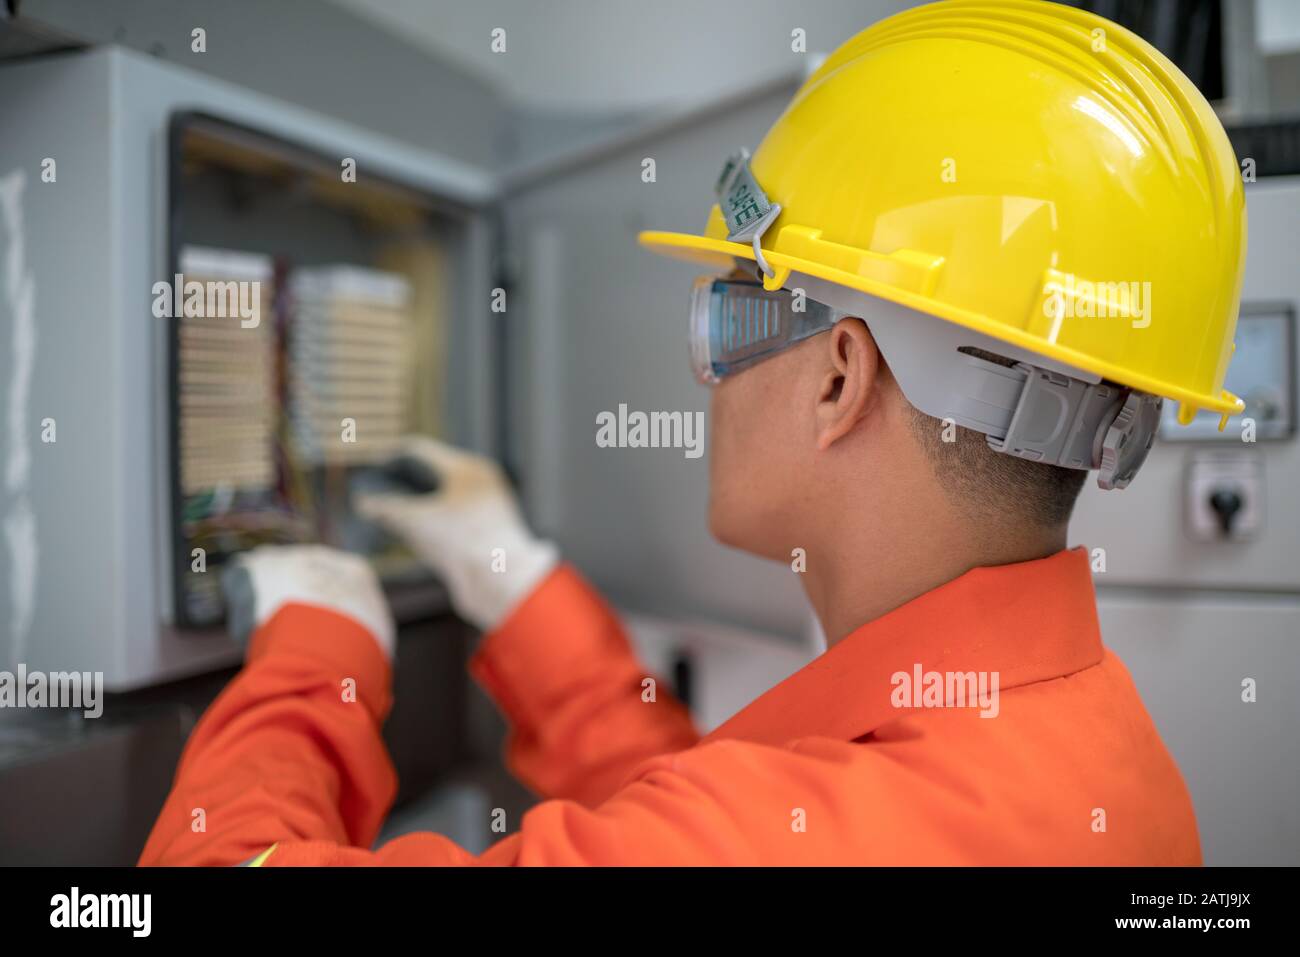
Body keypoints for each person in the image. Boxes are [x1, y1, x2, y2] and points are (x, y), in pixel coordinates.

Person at [140, 0, 1243, 866]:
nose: (704, 374)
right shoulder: (1083, 740)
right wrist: (516, 587)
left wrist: (314, 658)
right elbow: (699, 810)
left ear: (839, 377)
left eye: (726, 313)